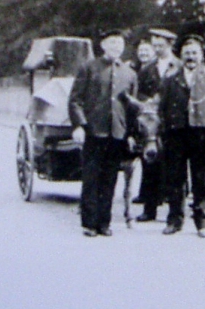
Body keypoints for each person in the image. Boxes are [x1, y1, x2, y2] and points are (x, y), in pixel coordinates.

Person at [68, 29, 138, 237]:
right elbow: (75, 100)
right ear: (103, 45)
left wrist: (131, 133)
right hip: (94, 132)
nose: (116, 47)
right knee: (91, 178)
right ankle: (89, 224)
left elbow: (132, 108)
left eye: (120, 44)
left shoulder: (129, 73)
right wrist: (79, 125)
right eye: (112, 42)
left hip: (117, 134)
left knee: (109, 179)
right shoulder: (89, 68)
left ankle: (104, 223)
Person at [158, 34, 205, 237]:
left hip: (202, 133)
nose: (191, 57)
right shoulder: (171, 78)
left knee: (203, 179)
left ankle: (203, 222)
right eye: (187, 53)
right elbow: (162, 108)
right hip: (176, 133)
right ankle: (174, 220)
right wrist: (163, 132)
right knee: (175, 179)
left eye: (195, 53)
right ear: (181, 55)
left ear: (201, 55)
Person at [134, 28, 181, 223]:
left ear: (170, 45)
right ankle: (149, 209)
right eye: (155, 45)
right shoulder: (147, 68)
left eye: (161, 45)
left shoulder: (179, 65)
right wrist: (150, 101)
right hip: (152, 123)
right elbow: (139, 93)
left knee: (174, 166)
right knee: (150, 164)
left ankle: (174, 213)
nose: (157, 49)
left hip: (173, 122)